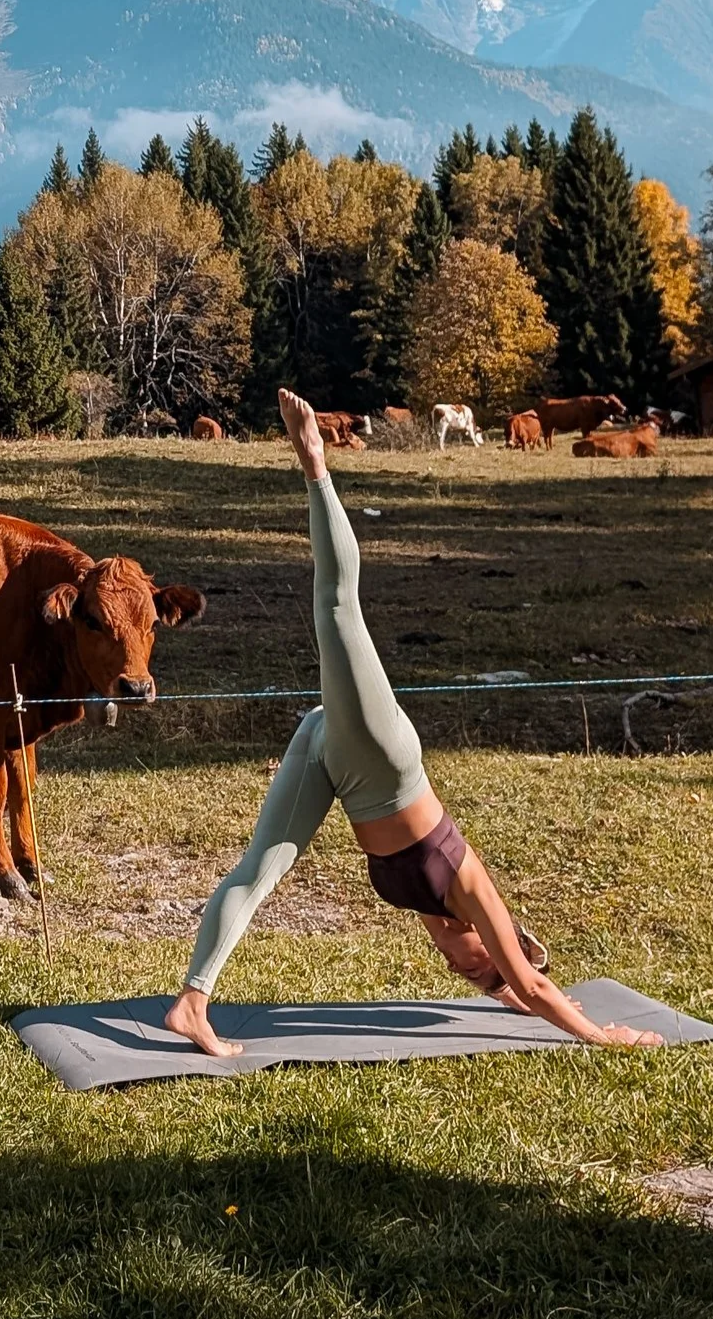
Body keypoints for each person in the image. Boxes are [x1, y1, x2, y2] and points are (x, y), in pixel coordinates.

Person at [164, 389, 663, 1056]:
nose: (470, 970)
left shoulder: (440, 918)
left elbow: (525, 989)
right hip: (380, 752)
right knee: (337, 607)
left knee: (258, 870)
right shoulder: (468, 887)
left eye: (478, 978)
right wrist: (606, 1035)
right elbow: (534, 985)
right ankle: (314, 461)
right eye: (488, 966)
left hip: (332, 752)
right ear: (498, 937)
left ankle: (191, 1003)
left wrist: (514, 991)